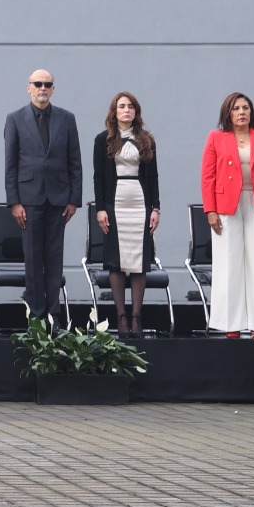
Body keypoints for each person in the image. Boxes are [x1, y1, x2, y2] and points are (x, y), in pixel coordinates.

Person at [200, 92, 254, 336]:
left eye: (245, 107)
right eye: (236, 108)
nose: (241, 112)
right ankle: (231, 324)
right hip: (227, 204)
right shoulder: (216, 138)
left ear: (251, 111)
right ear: (228, 113)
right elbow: (207, 178)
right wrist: (210, 210)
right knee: (229, 261)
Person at [3, 69, 81, 322]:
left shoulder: (66, 119)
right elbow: (11, 164)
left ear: (53, 89)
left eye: (47, 84)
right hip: (29, 199)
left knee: (54, 258)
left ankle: (53, 314)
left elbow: (74, 162)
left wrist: (74, 200)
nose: (43, 88)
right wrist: (14, 202)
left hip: (59, 199)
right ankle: (36, 315)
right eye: (38, 83)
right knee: (33, 259)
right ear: (29, 87)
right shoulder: (15, 119)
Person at [92, 92, 161, 338]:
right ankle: (121, 316)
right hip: (115, 201)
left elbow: (153, 177)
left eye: (131, 106)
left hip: (140, 202)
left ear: (136, 111)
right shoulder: (103, 140)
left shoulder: (146, 140)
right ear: (114, 111)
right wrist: (101, 208)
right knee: (116, 260)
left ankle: (136, 316)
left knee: (140, 261)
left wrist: (156, 208)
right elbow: (98, 177)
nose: (126, 110)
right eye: (122, 106)